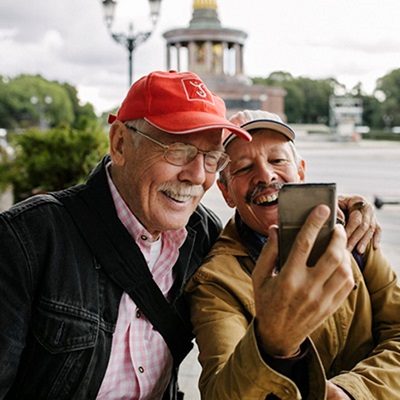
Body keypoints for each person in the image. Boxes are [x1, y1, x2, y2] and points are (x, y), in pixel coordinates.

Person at [0, 72, 378, 400]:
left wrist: (343, 207)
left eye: (212, 158)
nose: (197, 176)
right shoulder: (26, 242)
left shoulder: (203, 237)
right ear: (119, 144)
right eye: (178, 150)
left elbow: (257, 223)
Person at [185, 110, 399, 399]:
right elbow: (221, 391)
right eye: (244, 168)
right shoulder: (216, 281)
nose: (265, 175)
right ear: (226, 192)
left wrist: (352, 392)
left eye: (277, 160)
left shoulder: (350, 231)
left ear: (300, 171)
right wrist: (271, 343)